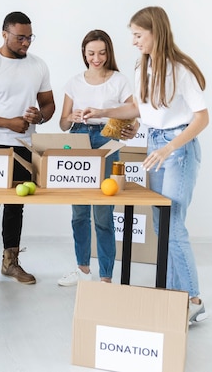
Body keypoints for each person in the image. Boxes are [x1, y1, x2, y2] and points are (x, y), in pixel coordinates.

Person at [83, 6, 209, 324]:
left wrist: (169, 148)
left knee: (173, 225)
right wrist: (99, 112)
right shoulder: (143, 67)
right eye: (133, 36)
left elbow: (201, 118)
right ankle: (171, 296)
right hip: (155, 144)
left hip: (176, 148)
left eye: (139, 35)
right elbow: (137, 109)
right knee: (160, 226)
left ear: (156, 32)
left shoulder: (180, 69)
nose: (134, 41)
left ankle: (193, 298)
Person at [0, 11, 55, 292]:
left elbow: (49, 104)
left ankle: (11, 262)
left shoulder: (39, 66)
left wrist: (39, 117)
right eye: (20, 38)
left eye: (29, 37)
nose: (26, 43)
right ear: (4, 34)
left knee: (17, 205)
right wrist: (8, 123)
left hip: (25, 146)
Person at [57, 29, 134, 286]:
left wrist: (127, 127)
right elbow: (62, 123)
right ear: (84, 54)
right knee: (79, 212)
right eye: (91, 53)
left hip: (107, 140)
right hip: (78, 139)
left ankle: (106, 278)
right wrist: (73, 117)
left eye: (101, 53)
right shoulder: (74, 82)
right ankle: (82, 270)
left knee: (103, 213)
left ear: (108, 52)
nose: (96, 58)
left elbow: (132, 114)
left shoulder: (120, 80)